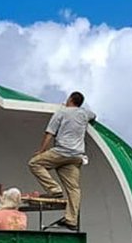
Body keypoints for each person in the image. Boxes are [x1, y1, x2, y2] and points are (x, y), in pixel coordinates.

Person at [28, 91, 95, 231]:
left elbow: (50, 133)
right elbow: (93, 115)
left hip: (62, 152)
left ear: (70, 99)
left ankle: (54, 189)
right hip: (76, 156)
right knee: (74, 189)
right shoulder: (84, 114)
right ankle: (71, 219)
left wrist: (41, 150)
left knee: (35, 163)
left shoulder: (61, 112)